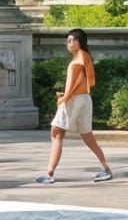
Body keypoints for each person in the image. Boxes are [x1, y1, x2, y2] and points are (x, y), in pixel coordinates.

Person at [35, 28, 114, 185]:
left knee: (56, 132)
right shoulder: (86, 57)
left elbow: (71, 85)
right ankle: (106, 169)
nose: (69, 43)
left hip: (75, 99)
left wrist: (64, 97)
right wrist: (75, 89)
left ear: (79, 42)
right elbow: (91, 82)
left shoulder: (75, 63)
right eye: (68, 40)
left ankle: (49, 173)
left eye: (72, 40)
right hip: (86, 99)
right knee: (87, 135)